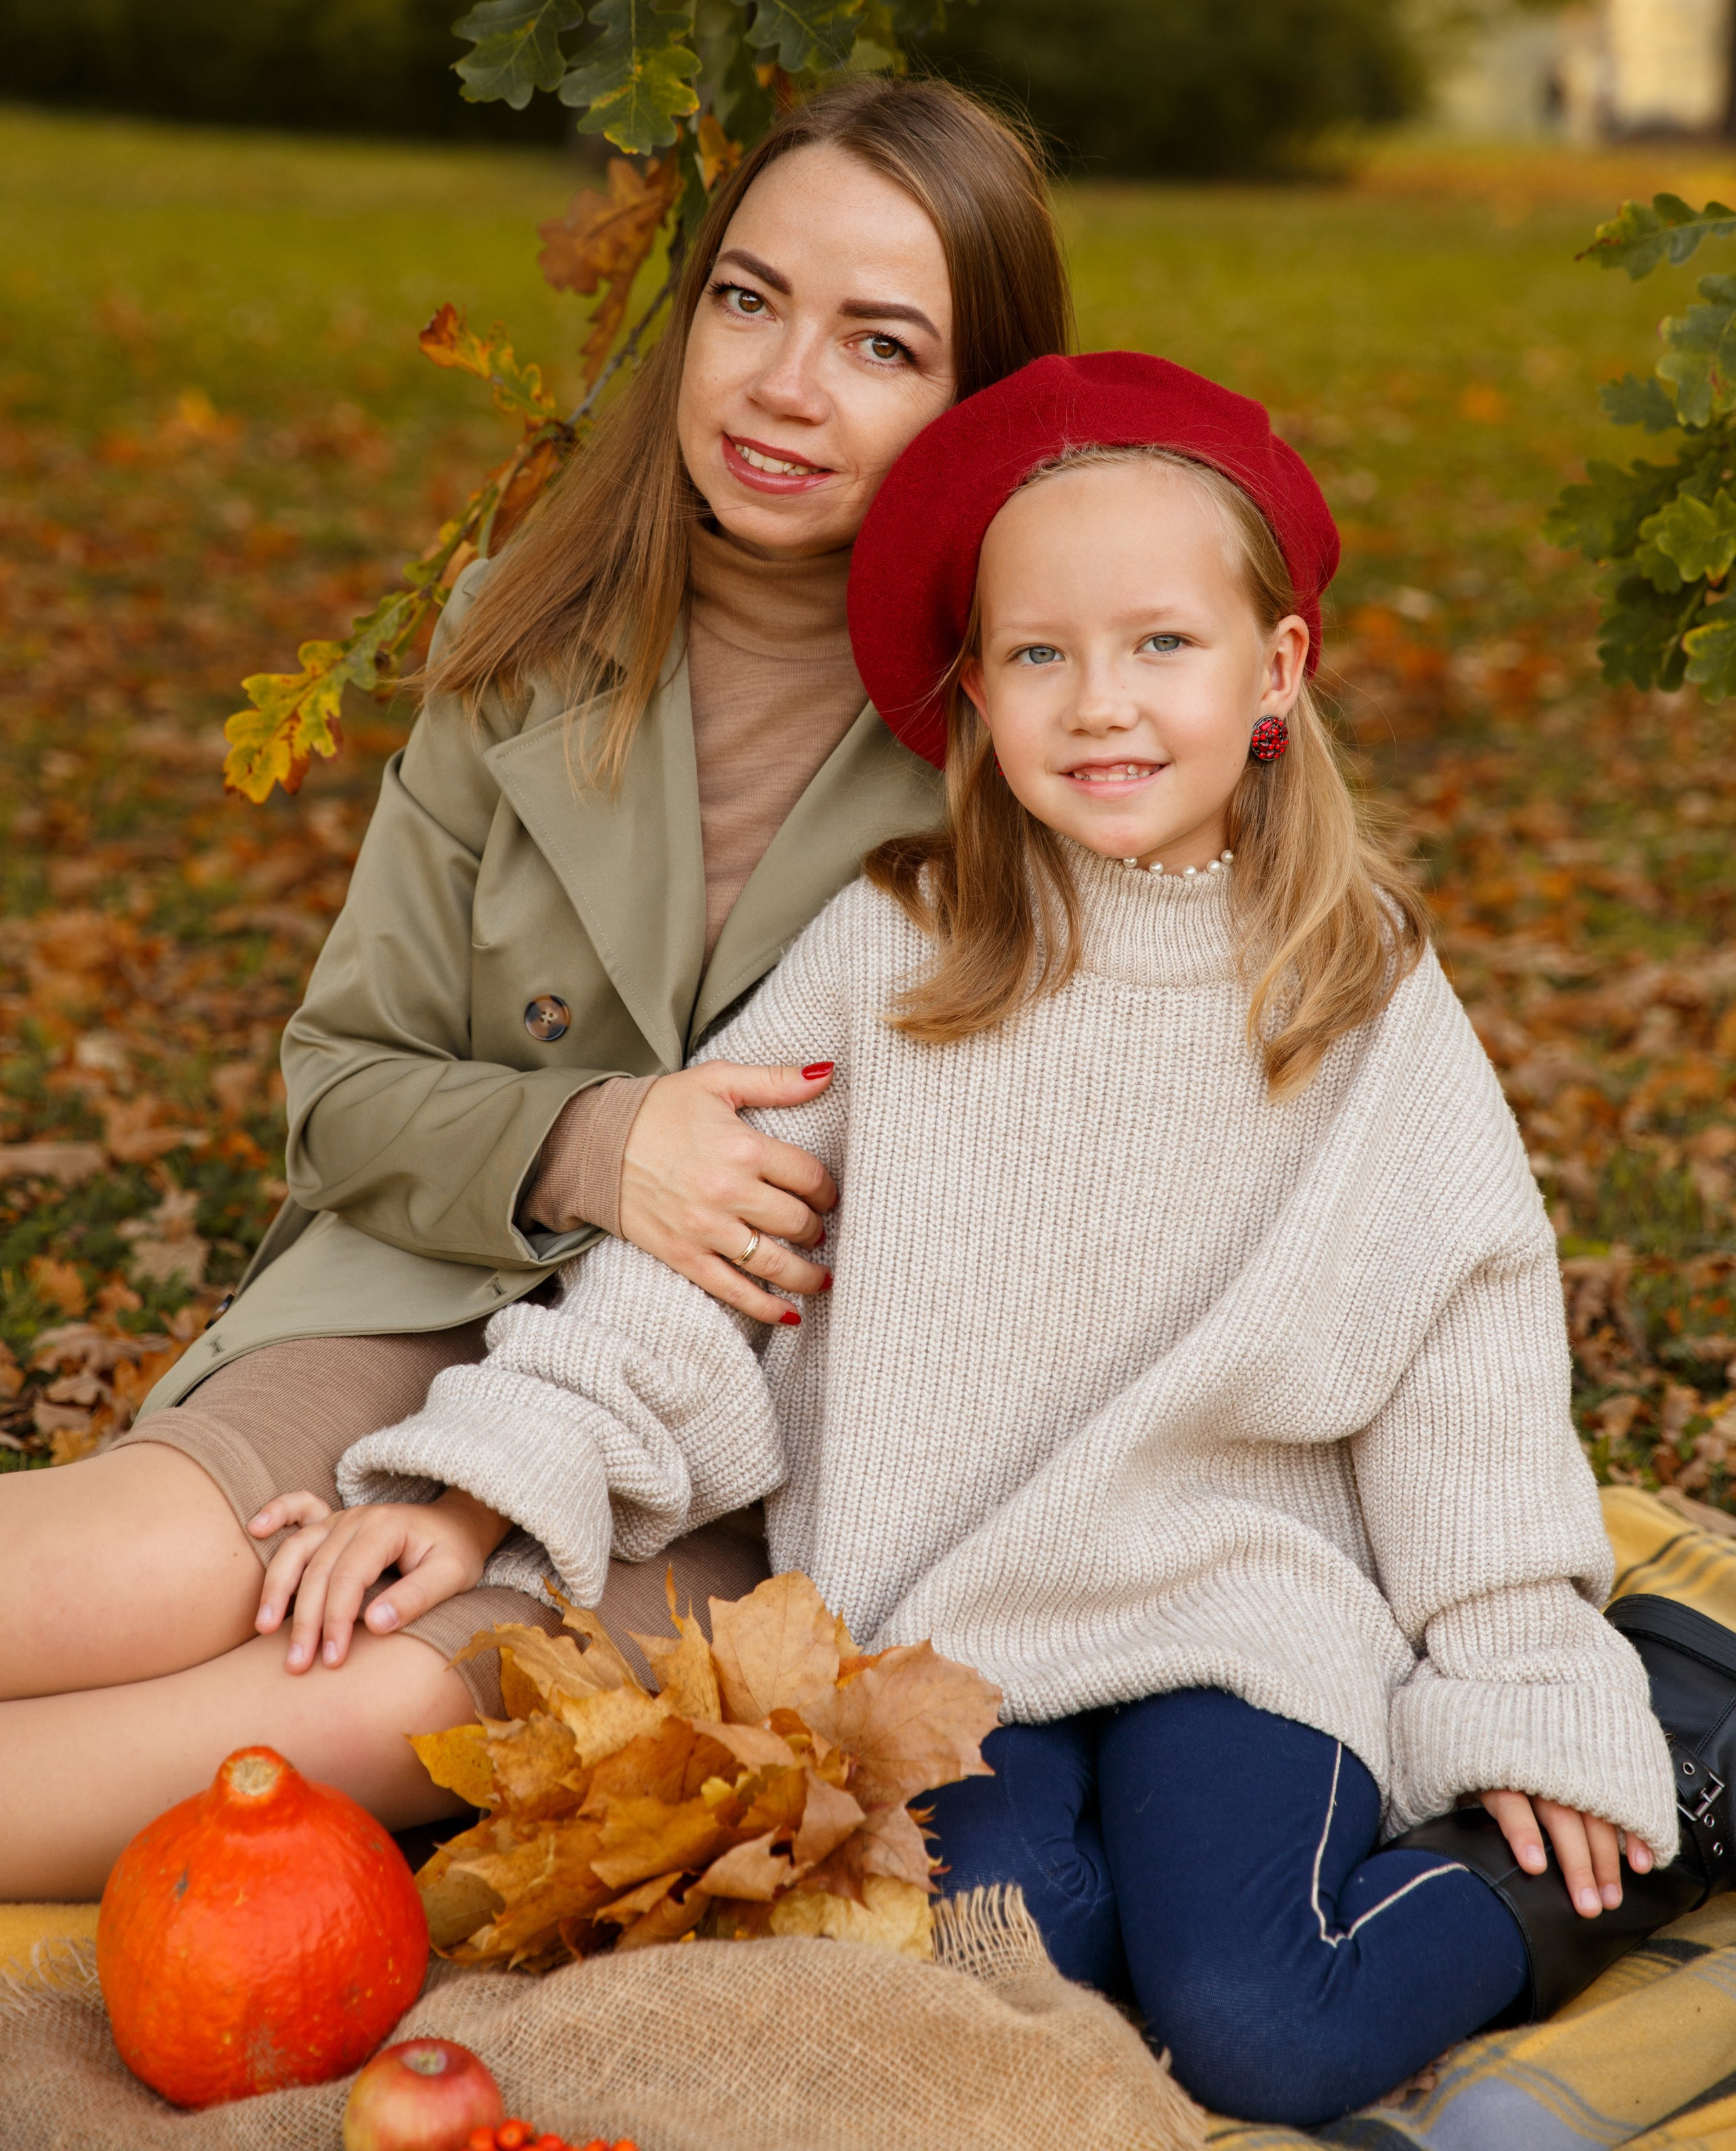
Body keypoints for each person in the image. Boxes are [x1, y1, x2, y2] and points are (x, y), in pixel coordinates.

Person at [284, 353, 1718, 2124]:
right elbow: (688, 1273)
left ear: (1278, 672)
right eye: (1041, 654)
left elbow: (1467, 1365)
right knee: (1009, 1980)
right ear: (972, 689)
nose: (1100, 703)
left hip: (1235, 1623)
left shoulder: (1354, 989)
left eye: (1160, 647)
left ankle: (1675, 1771)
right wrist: (486, 1480)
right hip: (951, 1643)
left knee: (1259, 2019)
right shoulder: (899, 954)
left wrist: (1524, 1678)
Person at [0, 77, 1072, 1901]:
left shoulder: (1050, 724)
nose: (784, 385)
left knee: (305, 1716)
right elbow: (341, 1086)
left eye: (881, 343)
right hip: (431, 1295)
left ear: (981, 407)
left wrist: (504, 1478)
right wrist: (593, 1139)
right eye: (748, 300)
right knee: (136, 1571)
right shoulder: (524, 637)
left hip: (740, 1454)